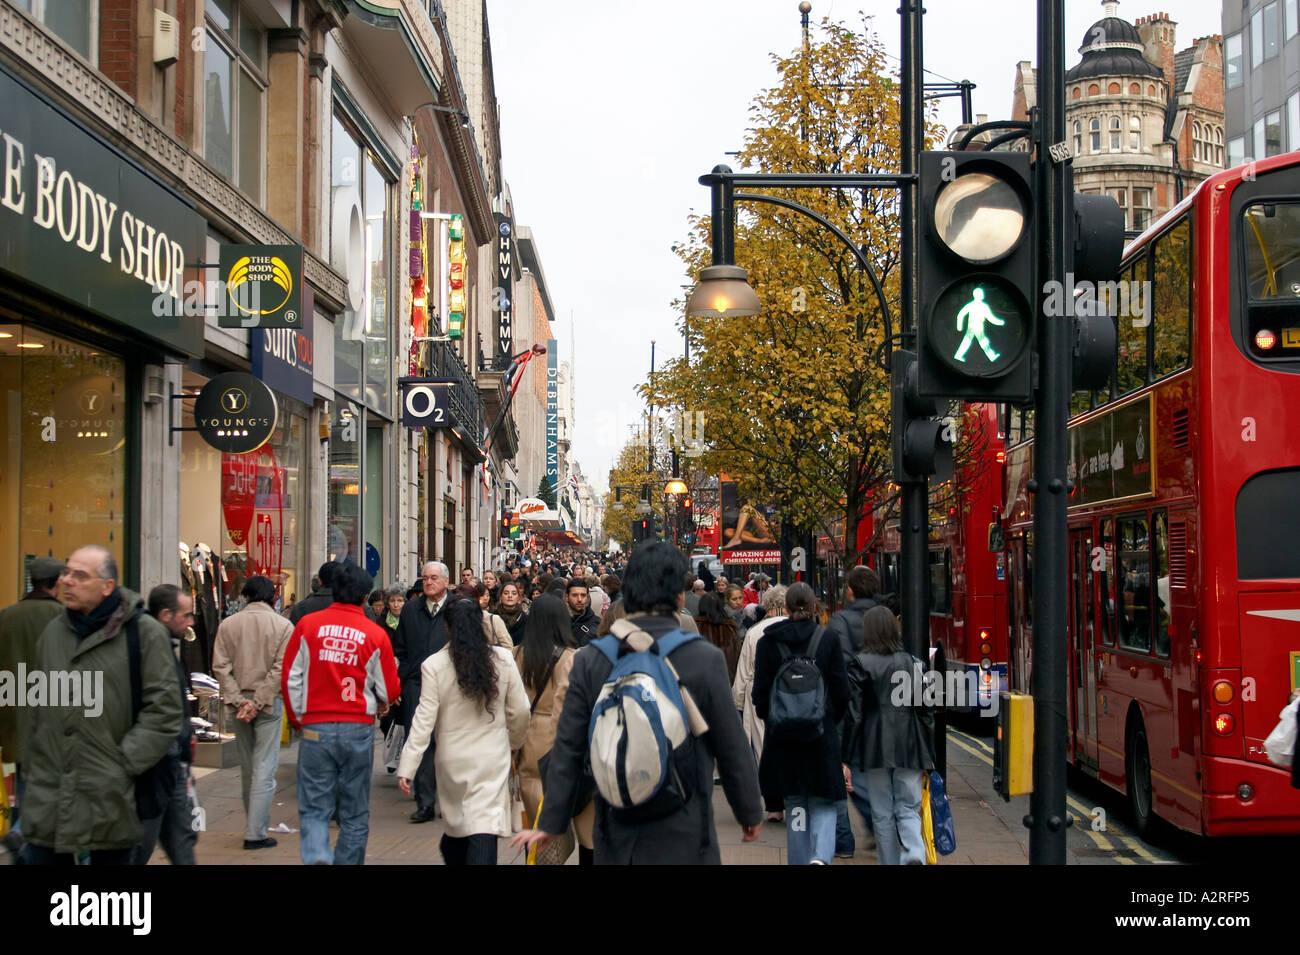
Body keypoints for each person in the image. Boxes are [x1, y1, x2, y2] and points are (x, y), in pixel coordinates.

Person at [511, 541, 763, 864]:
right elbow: (731, 744)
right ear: (679, 597)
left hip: (617, 835)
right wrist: (748, 809)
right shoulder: (703, 659)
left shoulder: (590, 661)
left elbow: (568, 747)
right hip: (685, 834)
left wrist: (550, 822)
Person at [18, 546, 182, 865]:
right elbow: (35, 704)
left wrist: (121, 763)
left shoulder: (144, 633)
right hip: (49, 799)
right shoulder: (54, 632)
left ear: (107, 586)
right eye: (66, 573)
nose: (67, 581)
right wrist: (34, 762)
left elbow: (164, 712)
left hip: (111, 800)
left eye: (80, 575)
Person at [282, 562, 400, 865]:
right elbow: (389, 688)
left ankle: (318, 857)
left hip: (315, 725)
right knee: (355, 811)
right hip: (357, 727)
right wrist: (382, 701)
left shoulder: (308, 626)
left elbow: (291, 677)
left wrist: (297, 718)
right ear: (364, 597)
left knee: (314, 807)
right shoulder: (374, 634)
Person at [397, 596, 529, 865]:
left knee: (459, 826)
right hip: (492, 756)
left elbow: (423, 720)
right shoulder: (503, 659)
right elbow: (521, 710)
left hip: (452, 759)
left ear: (447, 627)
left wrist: (408, 766)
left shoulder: (434, 665)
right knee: (483, 826)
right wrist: (514, 742)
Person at [751, 582, 849, 865]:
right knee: (824, 803)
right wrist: (829, 719)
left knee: (795, 805)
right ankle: (820, 858)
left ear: (786, 608)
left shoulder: (768, 643)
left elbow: (760, 695)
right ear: (814, 606)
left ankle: (799, 860)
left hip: (784, 738)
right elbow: (842, 692)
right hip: (821, 736)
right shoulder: (827, 640)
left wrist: (775, 719)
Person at [843, 606, 935, 866]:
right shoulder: (914, 663)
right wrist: (930, 754)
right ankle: (914, 853)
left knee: (882, 812)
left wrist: (845, 756)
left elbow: (854, 714)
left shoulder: (860, 663)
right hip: (911, 743)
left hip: (875, 745)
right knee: (908, 807)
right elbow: (926, 711)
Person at [212, 575, 293, 851]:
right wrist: (257, 702)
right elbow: (282, 668)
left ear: (245, 596)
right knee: (264, 767)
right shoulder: (283, 626)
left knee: (248, 767)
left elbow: (220, 667)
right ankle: (255, 831)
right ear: (272, 597)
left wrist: (238, 700)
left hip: (238, 704)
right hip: (268, 703)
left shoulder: (228, 625)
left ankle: (253, 824)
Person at [512, 594, 593, 862]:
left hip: (528, 738)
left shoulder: (518, 654)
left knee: (535, 813)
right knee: (579, 811)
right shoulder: (571, 657)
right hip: (559, 735)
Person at [0, 556, 64, 851]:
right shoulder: (64, 619)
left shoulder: (6, 617)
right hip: (55, 718)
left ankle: (22, 840)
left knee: (26, 781)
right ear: (56, 583)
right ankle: (21, 832)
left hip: (15, 715)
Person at [134, 584, 198, 865]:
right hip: (157, 762)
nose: (191, 622)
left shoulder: (163, 645)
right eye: (186, 615)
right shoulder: (149, 647)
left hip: (173, 759)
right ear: (164, 615)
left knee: (182, 837)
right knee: (142, 842)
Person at [825, 565, 882, 856]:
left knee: (846, 771)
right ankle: (881, 823)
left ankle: (861, 829)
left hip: (850, 705)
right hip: (886, 704)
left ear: (850, 590)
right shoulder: (887, 617)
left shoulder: (840, 621)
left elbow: (841, 665)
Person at [392, 561, 450, 823]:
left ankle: (449, 800)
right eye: (425, 578)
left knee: (449, 743)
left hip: (451, 685)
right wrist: (403, 678)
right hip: (417, 683)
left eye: (434, 578)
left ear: (446, 581)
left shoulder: (457, 609)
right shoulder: (411, 610)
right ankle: (425, 801)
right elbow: (400, 648)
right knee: (421, 741)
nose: (428, 582)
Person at [732, 584, 787, 776]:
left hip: (758, 693)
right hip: (791, 692)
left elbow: (744, 672)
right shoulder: (797, 628)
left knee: (763, 745)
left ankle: (770, 788)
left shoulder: (754, 632)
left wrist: (738, 704)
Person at [696, 592, 742, 685]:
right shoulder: (730, 628)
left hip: (701, 683)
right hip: (727, 680)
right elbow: (737, 655)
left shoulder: (696, 626)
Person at [458, 582, 513, 648]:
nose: (485, 598)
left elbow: (508, 645)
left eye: (487, 595)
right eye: (482, 595)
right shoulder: (460, 619)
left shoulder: (493, 618)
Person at [566, 577, 600, 647]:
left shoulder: (598, 625)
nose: (579, 599)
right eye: (575, 595)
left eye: (583, 595)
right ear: (567, 597)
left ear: (587, 597)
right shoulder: (558, 622)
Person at [496, 581, 528, 646]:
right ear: (501, 596)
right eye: (506, 593)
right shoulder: (493, 617)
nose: (510, 596)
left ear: (518, 597)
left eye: (514, 593)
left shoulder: (526, 619)